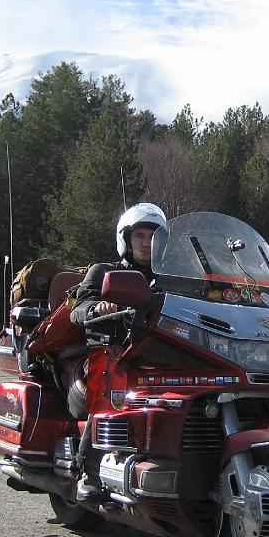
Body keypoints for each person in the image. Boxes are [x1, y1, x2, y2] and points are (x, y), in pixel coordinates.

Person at [69, 202, 167, 501]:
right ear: (125, 238)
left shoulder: (173, 279)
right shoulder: (104, 272)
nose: (147, 242)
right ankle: (88, 471)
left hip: (157, 354)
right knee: (111, 380)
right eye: (140, 235)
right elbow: (77, 310)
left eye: (153, 236)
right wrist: (97, 307)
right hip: (110, 355)